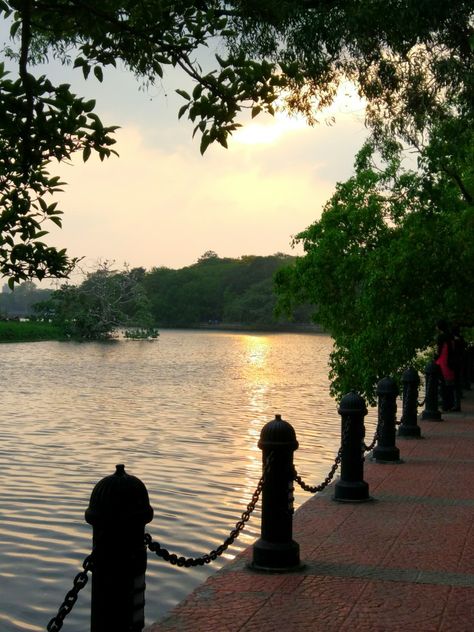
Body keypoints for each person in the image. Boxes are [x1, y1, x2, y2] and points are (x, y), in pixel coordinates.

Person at [434, 319, 455, 411]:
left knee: (443, 384)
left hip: (442, 362)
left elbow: (439, 351)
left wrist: (435, 357)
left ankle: (445, 405)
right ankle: (450, 404)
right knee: (449, 384)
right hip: (450, 361)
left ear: (439, 327)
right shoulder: (450, 336)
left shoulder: (441, 337)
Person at [451, 325, 466, 411]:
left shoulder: (454, 340)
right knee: (457, 383)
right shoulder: (461, 339)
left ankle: (456, 404)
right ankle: (457, 403)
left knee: (454, 383)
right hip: (460, 362)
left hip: (455, 363)